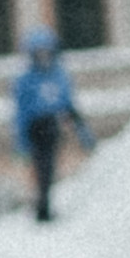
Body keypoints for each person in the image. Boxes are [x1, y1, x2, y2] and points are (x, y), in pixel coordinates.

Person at [13, 26, 95, 221]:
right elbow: (20, 113)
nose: (44, 57)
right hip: (36, 128)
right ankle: (42, 206)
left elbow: (68, 106)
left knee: (51, 166)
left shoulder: (60, 76)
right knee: (41, 167)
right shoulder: (25, 80)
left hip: (53, 127)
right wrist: (21, 142)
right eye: (39, 53)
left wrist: (84, 134)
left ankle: (46, 204)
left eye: (46, 52)